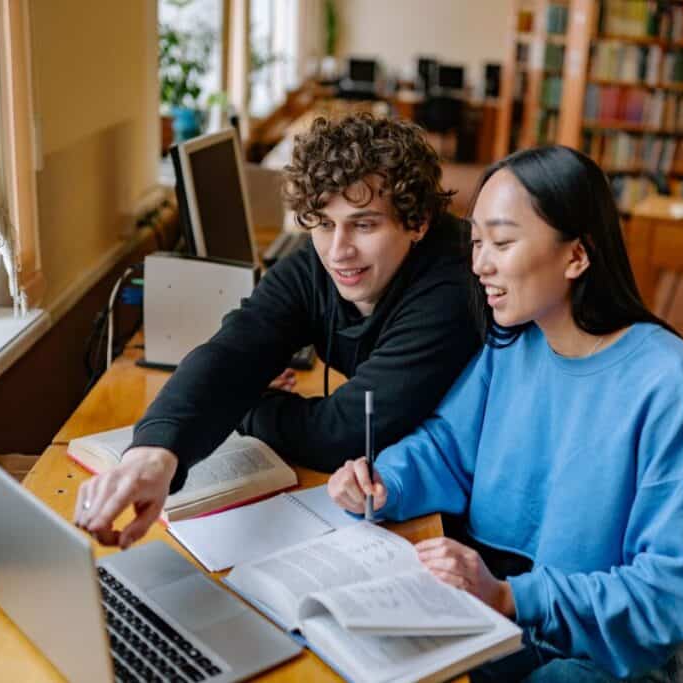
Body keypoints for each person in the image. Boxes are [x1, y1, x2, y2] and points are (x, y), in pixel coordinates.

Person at [328, 145, 683, 682]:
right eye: (475, 242)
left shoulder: (669, 384)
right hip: (509, 616)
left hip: (607, 656)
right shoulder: (511, 341)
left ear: (577, 256)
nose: (479, 264)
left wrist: (512, 596)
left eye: (503, 241)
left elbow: (665, 595)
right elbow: (449, 447)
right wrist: (385, 481)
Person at [74, 113, 480, 548]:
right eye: (323, 223)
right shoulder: (318, 260)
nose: (338, 251)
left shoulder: (453, 283)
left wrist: (249, 402)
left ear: (417, 221)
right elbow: (236, 349)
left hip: (461, 523)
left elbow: (342, 433)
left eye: (364, 224)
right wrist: (154, 453)